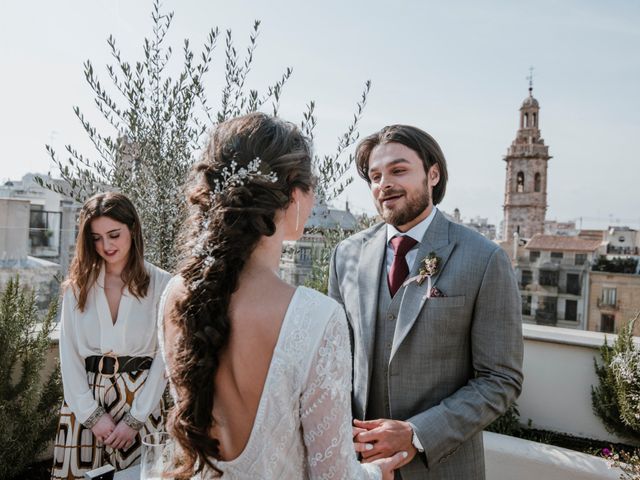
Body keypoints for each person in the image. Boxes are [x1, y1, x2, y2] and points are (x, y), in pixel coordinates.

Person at [159, 112, 407, 479]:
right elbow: (334, 476)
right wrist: (375, 473)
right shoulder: (315, 317)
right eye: (312, 187)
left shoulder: (176, 293)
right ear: (293, 195)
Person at [328, 124, 524, 479]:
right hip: (357, 467)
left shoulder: (484, 259)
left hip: (443, 469)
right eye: (375, 176)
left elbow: (500, 379)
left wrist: (417, 434)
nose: (383, 184)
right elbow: (335, 362)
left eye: (398, 170)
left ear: (433, 175)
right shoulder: (346, 255)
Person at [51, 192, 171, 480]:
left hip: (145, 406)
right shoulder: (77, 287)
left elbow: (165, 357)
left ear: (133, 229)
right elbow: (69, 356)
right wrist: (93, 417)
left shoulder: (163, 284)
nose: (106, 245)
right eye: (96, 238)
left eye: (114, 234)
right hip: (85, 408)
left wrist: (135, 419)